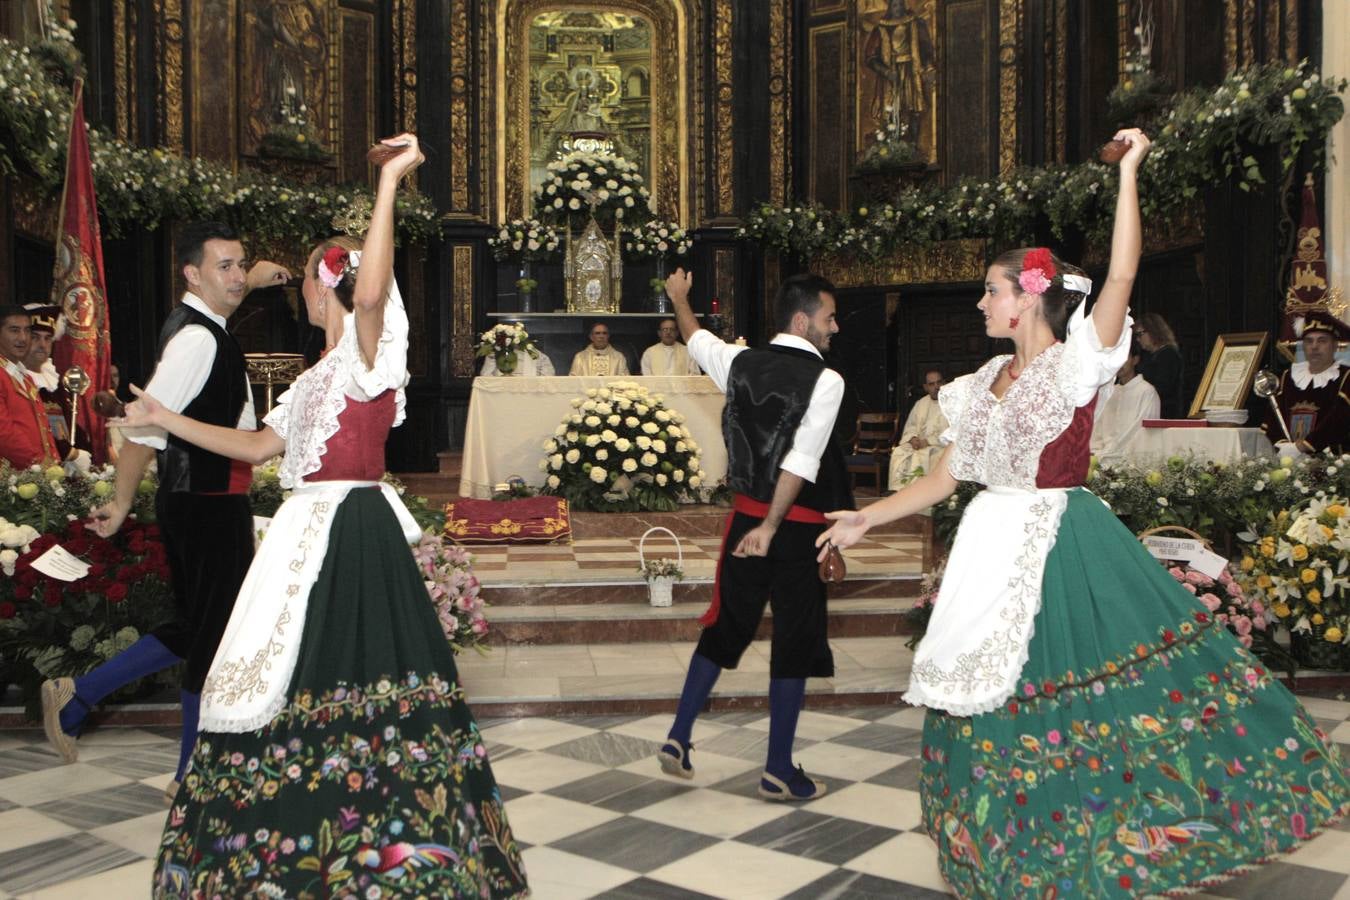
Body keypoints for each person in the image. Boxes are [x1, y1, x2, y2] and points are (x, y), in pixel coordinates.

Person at [818, 129, 1349, 897]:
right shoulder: (983, 379)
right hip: (988, 548)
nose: (980, 300)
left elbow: (1123, 271)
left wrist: (1130, 173)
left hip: (1059, 541)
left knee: (1066, 689)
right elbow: (945, 475)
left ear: (1029, 292)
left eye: (991, 288)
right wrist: (871, 518)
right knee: (987, 691)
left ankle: (1107, 838)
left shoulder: (1078, 360)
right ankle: (1010, 846)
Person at [119, 135, 527, 898]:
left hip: (351, 538)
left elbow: (369, 296)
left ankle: (387, 851)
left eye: (310, 276)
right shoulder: (309, 382)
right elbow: (253, 444)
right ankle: (291, 848)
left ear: (325, 286)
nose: (301, 289)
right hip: (298, 543)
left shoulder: (367, 359)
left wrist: (390, 184)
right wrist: (163, 418)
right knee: (276, 684)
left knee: (353, 677)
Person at [40, 223, 288, 798]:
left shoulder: (207, 324)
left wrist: (250, 277)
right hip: (204, 503)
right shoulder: (198, 340)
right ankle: (193, 775)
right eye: (223, 267)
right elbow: (146, 426)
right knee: (215, 636)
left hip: (205, 500)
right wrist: (123, 500)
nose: (234, 276)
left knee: (196, 624)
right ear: (191, 274)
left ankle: (77, 697)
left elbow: (225, 293)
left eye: (239, 265)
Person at [656, 270, 853, 802]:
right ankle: (777, 768)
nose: (835, 327)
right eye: (829, 317)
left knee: (727, 625)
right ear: (801, 319)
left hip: (743, 520)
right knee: (795, 640)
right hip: (796, 529)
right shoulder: (826, 380)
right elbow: (802, 461)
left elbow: (697, 339)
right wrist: (772, 526)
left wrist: (679, 297)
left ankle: (678, 735)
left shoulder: (739, 361)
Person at [1260, 311, 1350, 455]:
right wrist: (1285, 447)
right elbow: (1273, 419)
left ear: (1335, 346)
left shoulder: (1346, 377)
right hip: (1290, 462)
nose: (1314, 346)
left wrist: (1303, 446)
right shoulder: (1287, 378)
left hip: (1335, 465)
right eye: (1309, 341)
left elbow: (1340, 419)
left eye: (1322, 340)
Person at [0, 305, 60, 468]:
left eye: (27, 331)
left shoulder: (25, 377)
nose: (23, 338)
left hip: (33, 479)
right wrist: (39, 464)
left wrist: (53, 463)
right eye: (14, 330)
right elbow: (4, 433)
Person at [22, 302, 80, 460]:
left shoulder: (54, 382)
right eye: (35, 337)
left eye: (48, 338)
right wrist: (69, 453)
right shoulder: (17, 380)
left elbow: (72, 425)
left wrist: (84, 450)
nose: (42, 345)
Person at [1091, 336, 1160, 464]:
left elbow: (1140, 432)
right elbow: (1097, 429)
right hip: (1102, 458)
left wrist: (1109, 453)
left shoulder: (1146, 391)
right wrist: (1095, 452)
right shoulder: (1108, 392)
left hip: (1131, 461)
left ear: (1135, 359)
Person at [888, 368, 947, 489]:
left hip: (939, 445)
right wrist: (912, 438)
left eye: (939, 382)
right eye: (931, 384)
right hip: (918, 444)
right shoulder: (920, 403)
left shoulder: (952, 404)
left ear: (944, 383)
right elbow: (911, 426)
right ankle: (900, 492)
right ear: (926, 387)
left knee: (924, 456)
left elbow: (951, 432)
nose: (936, 386)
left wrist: (928, 441)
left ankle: (921, 494)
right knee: (899, 452)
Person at [1135, 311, 1185, 418]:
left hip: (1165, 414)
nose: (1138, 339)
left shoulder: (1169, 354)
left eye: (1140, 334)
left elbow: (1163, 387)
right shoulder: (1148, 356)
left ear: (1153, 331)